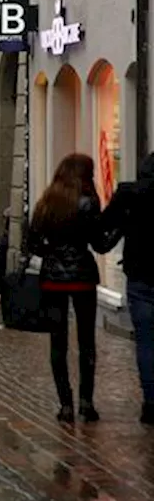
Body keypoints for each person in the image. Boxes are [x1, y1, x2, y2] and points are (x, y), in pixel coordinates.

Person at [29, 153, 119, 424]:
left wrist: (52, 254)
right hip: (82, 275)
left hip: (53, 279)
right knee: (86, 341)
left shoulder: (47, 202)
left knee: (58, 341)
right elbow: (100, 244)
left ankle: (65, 403)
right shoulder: (88, 203)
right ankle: (85, 402)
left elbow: (33, 242)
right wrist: (119, 230)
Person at [104, 153, 154, 424]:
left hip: (140, 276)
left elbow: (104, 224)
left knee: (146, 341)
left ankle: (151, 402)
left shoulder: (128, 194)